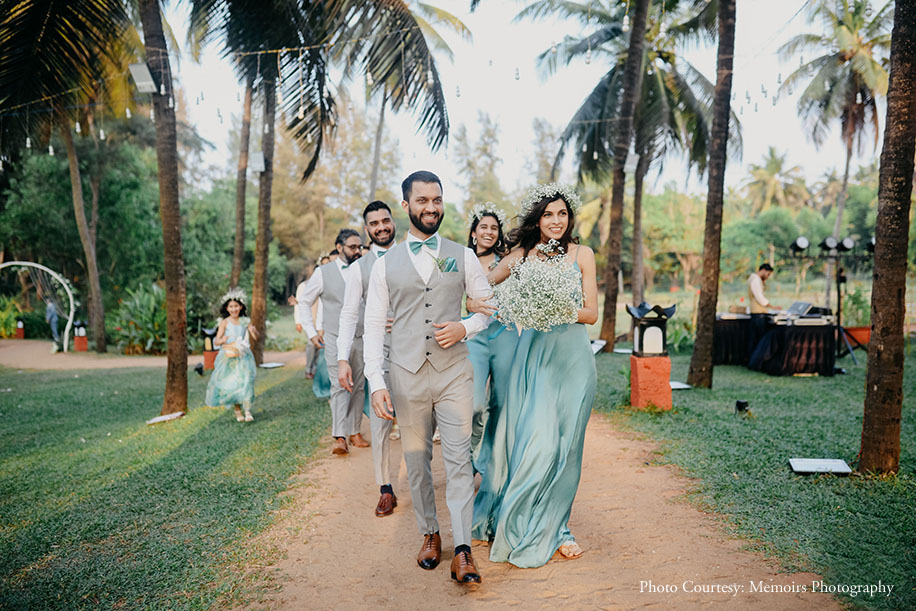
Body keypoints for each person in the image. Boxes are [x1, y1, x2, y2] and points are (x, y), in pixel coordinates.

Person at [364, 171, 492, 585]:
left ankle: (463, 551)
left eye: (437, 199)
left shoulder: (462, 255)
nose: (431, 207)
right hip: (406, 373)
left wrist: (465, 328)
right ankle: (430, 533)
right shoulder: (384, 266)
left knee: (458, 460)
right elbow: (371, 323)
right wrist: (376, 381)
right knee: (417, 463)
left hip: (454, 372)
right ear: (406, 206)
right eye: (422, 200)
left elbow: (488, 309)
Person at [472, 183, 599, 568]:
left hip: (575, 361)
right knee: (539, 443)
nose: (556, 221)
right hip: (536, 358)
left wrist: (552, 307)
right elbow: (482, 283)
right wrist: (473, 303)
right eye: (548, 214)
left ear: (569, 217)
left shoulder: (583, 254)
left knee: (568, 449)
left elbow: (591, 313)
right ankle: (519, 521)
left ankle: (559, 528)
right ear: (537, 219)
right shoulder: (522, 255)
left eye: (562, 213)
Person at [337, 201, 400, 517]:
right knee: (380, 423)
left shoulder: (412, 256)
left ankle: (420, 479)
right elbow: (348, 314)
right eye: (374, 223)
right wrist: (342, 358)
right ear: (367, 230)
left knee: (421, 424)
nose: (381, 227)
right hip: (380, 355)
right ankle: (385, 487)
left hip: (417, 352)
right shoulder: (358, 269)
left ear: (393, 222)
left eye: (385, 220)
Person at [298, 231, 370, 455]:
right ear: (339, 247)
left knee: (359, 386)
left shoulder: (366, 269)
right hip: (334, 338)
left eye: (359, 247)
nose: (357, 251)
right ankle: (339, 436)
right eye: (352, 247)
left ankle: (355, 430)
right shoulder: (323, 273)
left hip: (361, 337)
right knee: (339, 386)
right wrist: (311, 332)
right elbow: (304, 301)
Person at [463, 204, 517, 473]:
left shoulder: (506, 261)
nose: (489, 231)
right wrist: (468, 304)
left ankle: (491, 463)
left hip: (504, 335)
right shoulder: (462, 260)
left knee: (500, 403)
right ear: (473, 232)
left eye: (494, 228)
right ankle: (471, 454)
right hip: (474, 339)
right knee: (475, 405)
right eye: (483, 226)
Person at [206, 289, 260, 422]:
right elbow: (216, 340)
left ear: (241, 307)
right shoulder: (224, 322)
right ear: (227, 308)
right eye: (231, 306)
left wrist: (253, 331)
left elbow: (256, 336)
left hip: (242, 354)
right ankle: (237, 410)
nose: (234, 309)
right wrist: (223, 340)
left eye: (236, 306)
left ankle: (247, 410)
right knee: (233, 383)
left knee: (246, 380)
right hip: (229, 356)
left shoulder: (245, 321)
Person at [748, 263, 779, 359]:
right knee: (760, 338)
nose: (768, 277)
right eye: (768, 274)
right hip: (759, 313)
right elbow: (760, 298)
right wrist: (772, 307)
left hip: (756, 312)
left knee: (755, 338)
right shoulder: (756, 280)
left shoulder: (754, 279)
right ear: (764, 270)